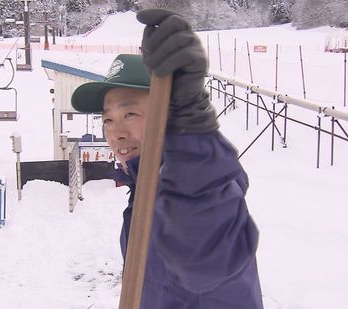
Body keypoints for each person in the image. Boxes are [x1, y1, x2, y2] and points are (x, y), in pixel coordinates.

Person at [71, 9, 263, 308]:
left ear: (168, 115)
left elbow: (203, 251)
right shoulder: (143, 188)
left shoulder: (197, 192)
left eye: (130, 113)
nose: (115, 133)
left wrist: (191, 124)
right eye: (107, 119)